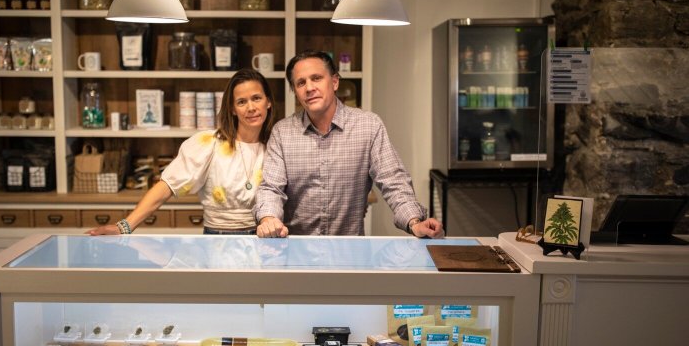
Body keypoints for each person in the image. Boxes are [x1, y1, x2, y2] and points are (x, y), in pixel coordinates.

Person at [254, 50, 443, 238]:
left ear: (335, 82)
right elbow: (271, 188)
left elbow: (394, 181)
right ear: (295, 91)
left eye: (317, 78)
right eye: (301, 83)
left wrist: (414, 222)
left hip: (350, 252)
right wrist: (269, 219)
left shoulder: (368, 126)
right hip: (295, 250)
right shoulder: (282, 132)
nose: (309, 88)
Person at [88, 68, 274, 236]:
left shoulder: (276, 146)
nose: (251, 108)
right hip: (219, 240)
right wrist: (125, 226)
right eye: (241, 102)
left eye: (256, 98)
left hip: (262, 239)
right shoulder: (210, 144)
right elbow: (167, 186)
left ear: (268, 102)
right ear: (232, 109)